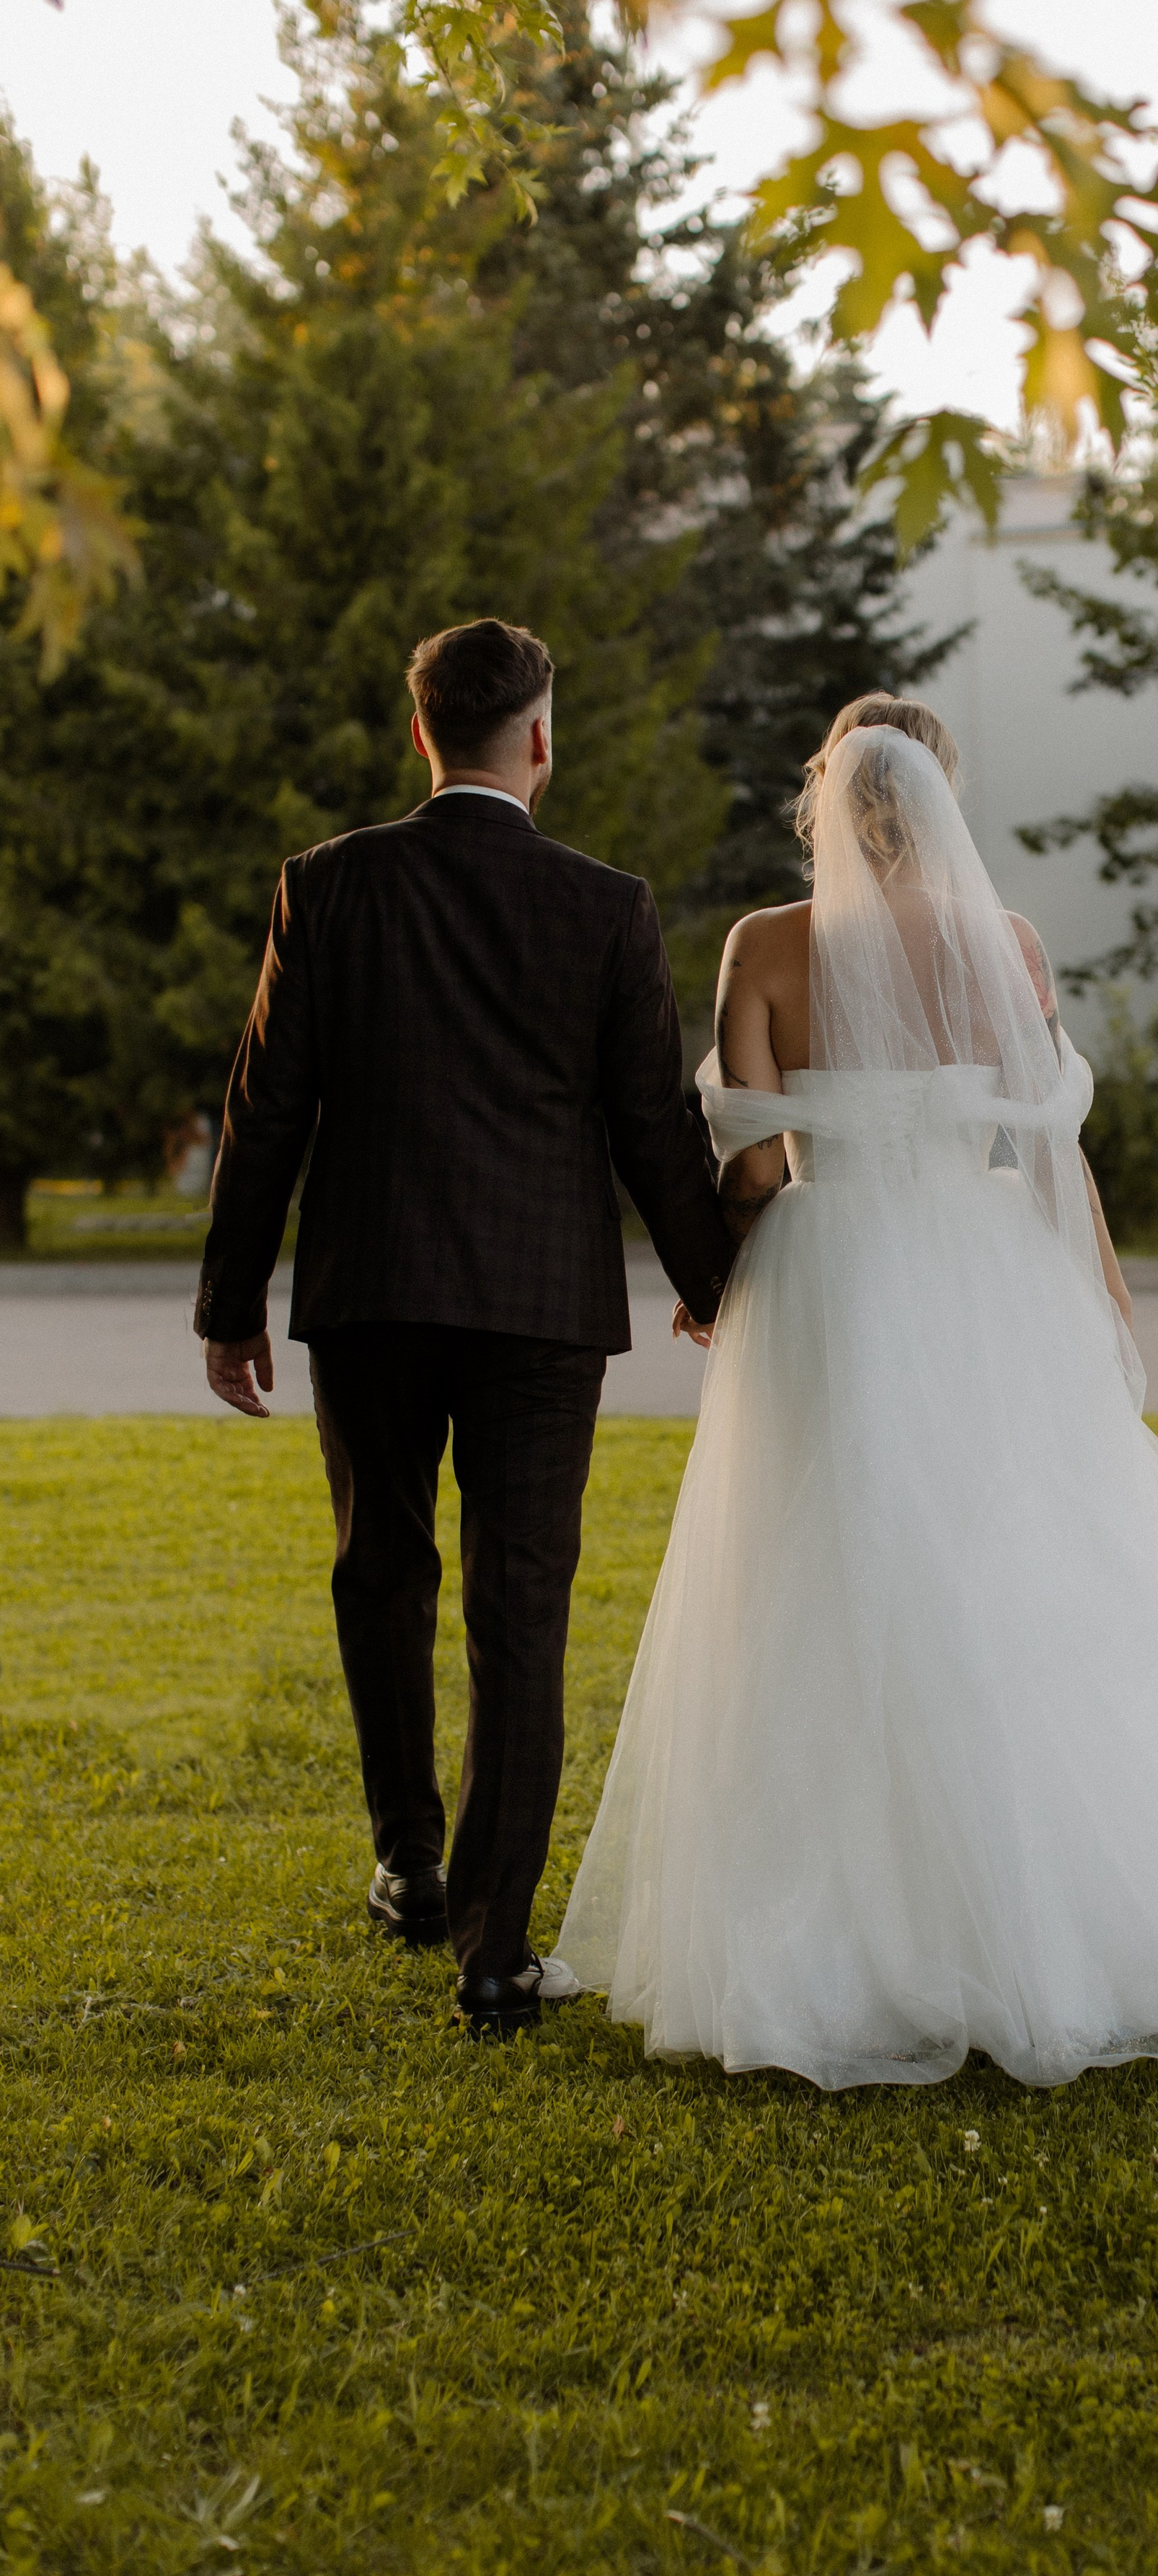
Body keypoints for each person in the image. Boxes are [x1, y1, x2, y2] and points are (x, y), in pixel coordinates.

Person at [558, 693, 1158, 2088]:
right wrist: (1096, 1301)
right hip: (984, 1273)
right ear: (942, 791)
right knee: (1018, 1575)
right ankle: (1051, 1906)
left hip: (832, 1276)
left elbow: (743, 1161)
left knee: (819, 1582)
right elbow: (1051, 1152)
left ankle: (841, 1924)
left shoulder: (765, 947)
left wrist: (722, 1267)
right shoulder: (1011, 946)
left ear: (824, 794)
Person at [195, 617, 733, 2036]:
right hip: (541, 1309)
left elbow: (266, 1105)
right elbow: (647, 1124)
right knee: (521, 1611)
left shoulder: (329, 885)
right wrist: (717, 1283)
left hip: (369, 1290)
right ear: (538, 735)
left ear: (423, 733)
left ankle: (407, 1862)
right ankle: (494, 1950)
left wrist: (230, 1301)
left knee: (381, 1572)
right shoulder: (604, 906)